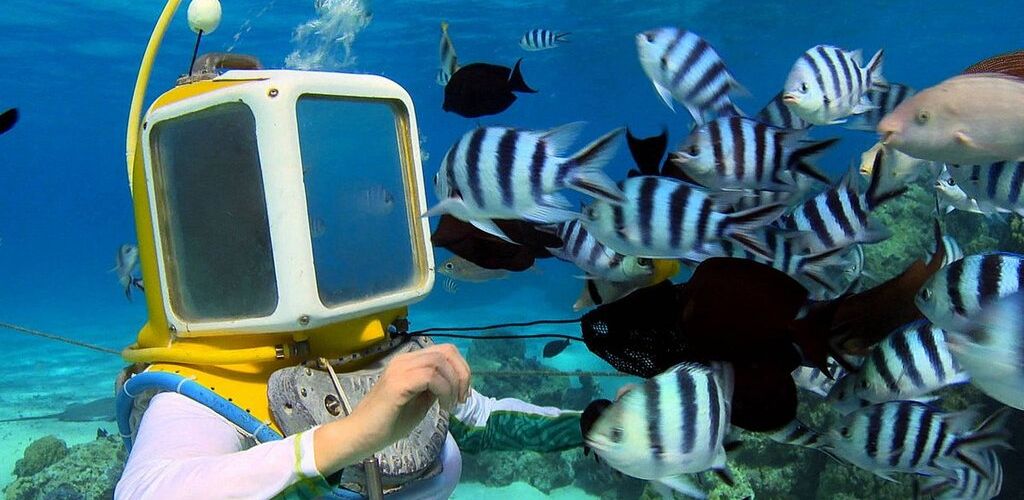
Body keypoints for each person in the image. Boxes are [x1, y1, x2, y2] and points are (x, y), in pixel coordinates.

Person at [115, 343, 583, 499]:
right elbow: (146, 489)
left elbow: (485, 419)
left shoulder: (388, 352)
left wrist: (598, 424)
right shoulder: (210, 386)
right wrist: (352, 437)